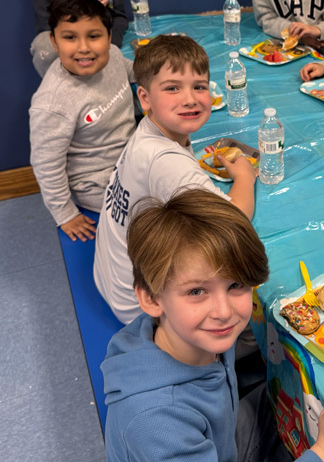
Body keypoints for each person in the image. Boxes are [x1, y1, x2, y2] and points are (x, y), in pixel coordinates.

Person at [101, 188, 324, 462]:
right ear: (151, 298)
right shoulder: (158, 424)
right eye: (196, 292)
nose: (224, 312)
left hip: (225, 435)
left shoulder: (186, 333)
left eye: (235, 285)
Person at [93, 35, 257, 325]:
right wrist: (244, 177)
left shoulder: (149, 128)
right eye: (172, 88)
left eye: (199, 87)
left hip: (110, 278)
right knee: (246, 304)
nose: (190, 99)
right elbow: (233, 219)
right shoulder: (166, 161)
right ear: (145, 98)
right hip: (139, 307)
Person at [29, 0, 136, 241]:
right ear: (54, 43)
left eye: (94, 36)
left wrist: (165, 71)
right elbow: (47, 164)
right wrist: (65, 213)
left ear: (109, 38)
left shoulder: (114, 56)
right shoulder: (52, 104)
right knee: (161, 217)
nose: (84, 48)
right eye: (69, 38)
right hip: (99, 182)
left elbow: (135, 71)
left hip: (134, 155)